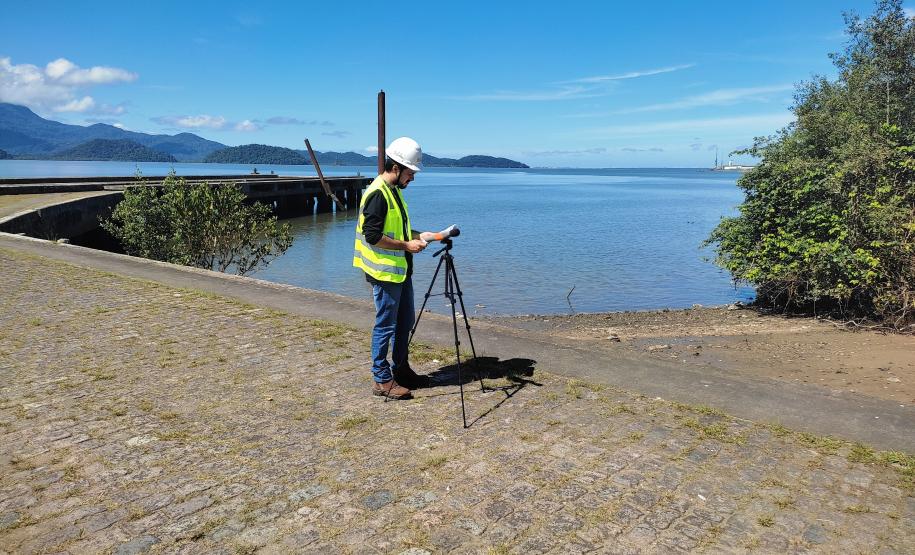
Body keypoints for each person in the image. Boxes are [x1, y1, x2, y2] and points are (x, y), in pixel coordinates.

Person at [353, 137, 434, 399]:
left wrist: (423, 235)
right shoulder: (378, 193)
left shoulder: (394, 191)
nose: (412, 178)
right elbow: (373, 236)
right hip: (384, 272)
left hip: (399, 270)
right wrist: (406, 246)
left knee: (405, 322)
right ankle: (382, 379)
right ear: (397, 167)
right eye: (411, 172)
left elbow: (398, 230)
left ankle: (402, 370)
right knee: (386, 325)